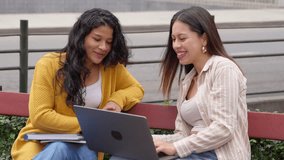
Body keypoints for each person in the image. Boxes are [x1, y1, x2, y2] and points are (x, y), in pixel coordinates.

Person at [11, 8, 144, 160]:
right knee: (60, 148)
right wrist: (90, 126)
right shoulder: (49, 65)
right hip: (41, 142)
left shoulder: (111, 68)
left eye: (109, 42)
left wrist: (117, 100)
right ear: (81, 37)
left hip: (85, 146)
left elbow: (136, 88)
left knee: (75, 151)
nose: (103, 47)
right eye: (97, 39)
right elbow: (40, 116)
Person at [153, 6, 251, 160]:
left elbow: (223, 129)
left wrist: (176, 148)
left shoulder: (224, 69)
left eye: (182, 38)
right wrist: (154, 140)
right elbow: (183, 135)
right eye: (173, 39)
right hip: (194, 153)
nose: (175, 45)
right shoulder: (188, 80)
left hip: (220, 154)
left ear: (204, 38)